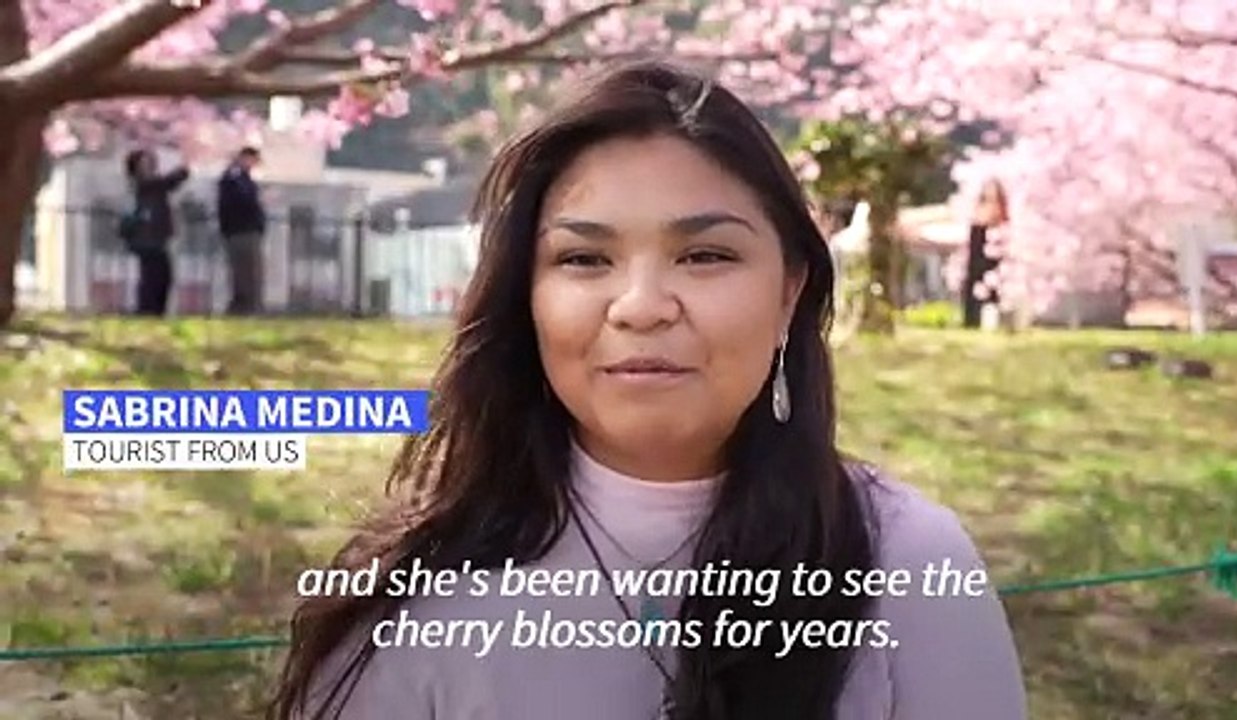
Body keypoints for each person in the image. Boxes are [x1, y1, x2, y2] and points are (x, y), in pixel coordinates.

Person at [268, 60, 1026, 720]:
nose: (640, 305)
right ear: (523, 296)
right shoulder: (415, 600)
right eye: (584, 260)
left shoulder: (910, 565)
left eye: (704, 255)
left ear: (790, 289)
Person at [122, 148, 189, 316]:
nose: (147, 165)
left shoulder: (151, 184)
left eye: (149, 161)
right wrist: (183, 169)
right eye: (143, 162)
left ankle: (156, 310)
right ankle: (148, 309)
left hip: (157, 236)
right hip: (147, 237)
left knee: (162, 275)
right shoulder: (143, 183)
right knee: (153, 275)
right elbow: (168, 182)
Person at [217, 146, 266, 315]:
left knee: (249, 273)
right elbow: (242, 202)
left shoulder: (241, 179)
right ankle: (242, 307)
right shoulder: (234, 178)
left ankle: (248, 307)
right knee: (244, 273)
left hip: (244, 230)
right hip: (240, 231)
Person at [962, 179, 1008, 329]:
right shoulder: (977, 215)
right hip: (977, 260)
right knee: (975, 291)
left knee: (993, 294)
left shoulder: (1002, 218)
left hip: (995, 261)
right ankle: (972, 322)